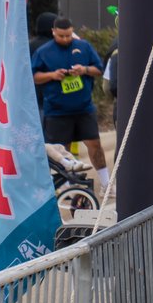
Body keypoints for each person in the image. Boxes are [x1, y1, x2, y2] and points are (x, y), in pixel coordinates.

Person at [31, 17, 109, 193]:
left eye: (68, 35)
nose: (65, 39)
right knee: (60, 149)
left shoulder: (84, 46)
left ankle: (106, 183)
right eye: (61, 36)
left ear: (72, 31)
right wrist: (52, 75)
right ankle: (65, 185)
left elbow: (99, 69)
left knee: (95, 144)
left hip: (84, 108)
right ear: (53, 32)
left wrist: (84, 70)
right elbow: (34, 76)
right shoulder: (43, 52)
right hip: (57, 110)